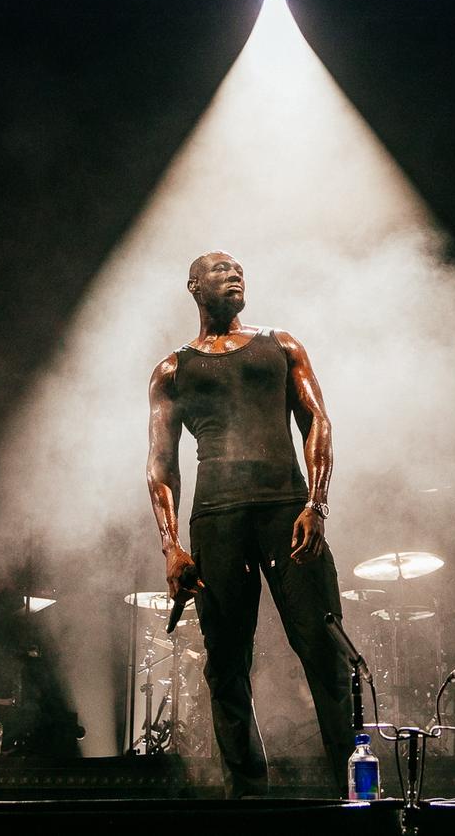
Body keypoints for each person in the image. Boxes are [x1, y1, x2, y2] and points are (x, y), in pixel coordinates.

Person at [146, 251, 353, 798]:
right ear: (194, 286)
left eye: (239, 269)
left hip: (287, 508)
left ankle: (353, 784)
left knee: (322, 647)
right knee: (226, 659)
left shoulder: (280, 344)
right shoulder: (172, 370)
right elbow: (161, 466)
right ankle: (248, 792)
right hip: (216, 518)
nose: (235, 275)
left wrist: (317, 502)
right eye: (220, 269)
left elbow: (317, 420)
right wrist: (170, 547)